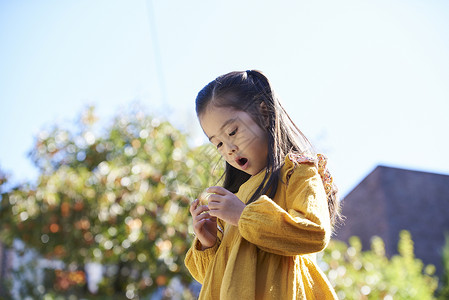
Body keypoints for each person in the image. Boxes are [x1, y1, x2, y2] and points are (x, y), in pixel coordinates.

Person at [184, 70, 342, 299]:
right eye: (218, 144)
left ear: (265, 113)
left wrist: (242, 216)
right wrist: (208, 243)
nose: (228, 148)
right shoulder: (235, 198)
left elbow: (314, 233)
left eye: (232, 132)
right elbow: (218, 280)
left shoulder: (297, 172)